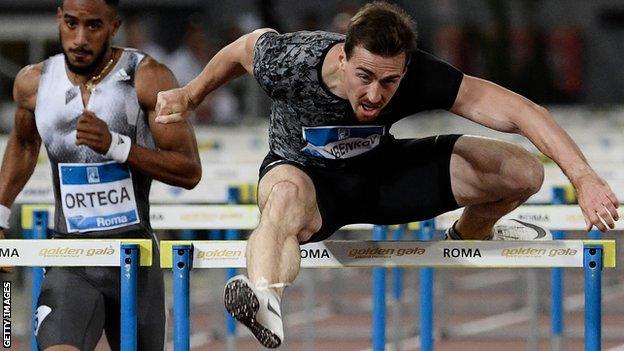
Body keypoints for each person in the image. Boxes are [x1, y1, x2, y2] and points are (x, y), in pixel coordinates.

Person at [154, 2, 619, 348]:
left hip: (383, 176)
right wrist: (191, 97)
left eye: (389, 81)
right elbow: (241, 49)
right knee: (282, 200)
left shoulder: (417, 73)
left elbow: (521, 110)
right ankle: (264, 298)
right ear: (342, 58)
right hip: (309, 183)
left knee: (521, 172)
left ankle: (470, 232)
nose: (375, 94)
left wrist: (584, 178)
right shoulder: (293, 61)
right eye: (365, 76)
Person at [0, 0, 202, 350]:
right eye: (72, 24)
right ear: (59, 19)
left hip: (133, 257)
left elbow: (188, 169)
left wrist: (117, 147)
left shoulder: (148, 77)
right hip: (70, 257)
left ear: (114, 26)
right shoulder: (33, 84)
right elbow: (23, 145)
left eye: (93, 26)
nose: (79, 39)